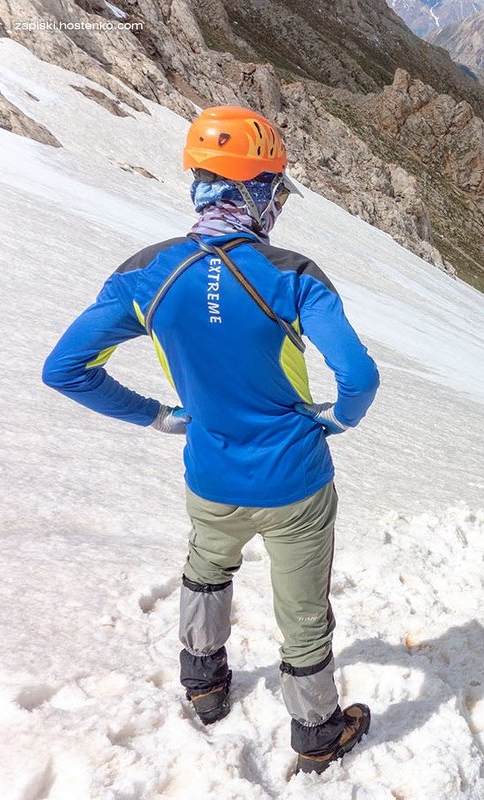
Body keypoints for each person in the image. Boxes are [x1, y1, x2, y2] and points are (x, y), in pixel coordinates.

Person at [42, 106, 379, 775]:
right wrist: (336, 419)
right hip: (295, 481)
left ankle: (203, 685)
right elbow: (358, 376)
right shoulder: (291, 273)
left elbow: (65, 369)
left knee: (205, 572)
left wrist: (157, 416)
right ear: (255, 190)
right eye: (276, 190)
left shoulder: (148, 274)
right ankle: (316, 731)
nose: (279, 203)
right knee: (303, 611)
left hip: (211, 473)